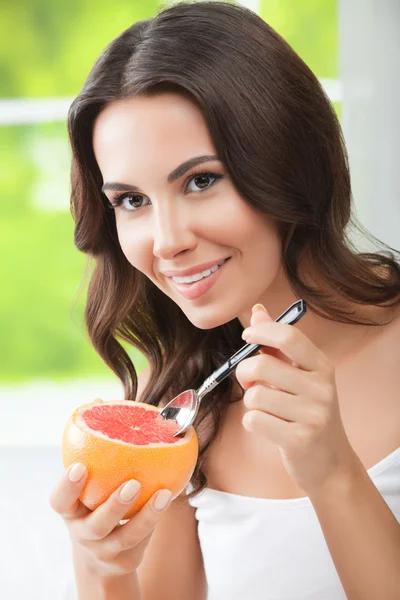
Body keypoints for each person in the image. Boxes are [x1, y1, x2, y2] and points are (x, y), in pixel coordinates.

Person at [49, 1, 400, 598]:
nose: (168, 241)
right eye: (132, 200)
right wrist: (104, 568)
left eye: (201, 181)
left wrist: (333, 472)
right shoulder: (188, 410)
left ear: (288, 162)